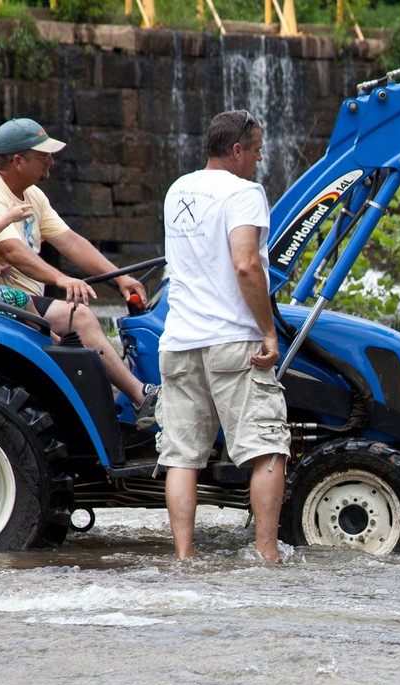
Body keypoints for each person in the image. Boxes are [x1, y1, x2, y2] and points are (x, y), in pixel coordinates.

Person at [158, 110, 290, 561]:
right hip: (233, 341)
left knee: (181, 456)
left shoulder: (178, 189)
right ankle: (268, 557)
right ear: (236, 150)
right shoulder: (244, 193)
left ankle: (184, 558)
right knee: (267, 447)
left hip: (179, 341)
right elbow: (246, 264)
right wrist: (268, 332)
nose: (259, 159)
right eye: (256, 150)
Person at [0, 120, 158, 428]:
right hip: (1, 307)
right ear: (18, 161)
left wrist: (119, 277)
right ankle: (141, 398)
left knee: (71, 323)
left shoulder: (33, 195)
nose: (51, 161)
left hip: (27, 302)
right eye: (44, 156)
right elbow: (11, 251)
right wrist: (61, 279)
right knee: (80, 317)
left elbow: (70, 242)